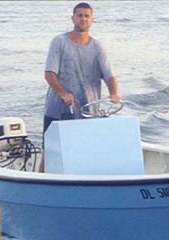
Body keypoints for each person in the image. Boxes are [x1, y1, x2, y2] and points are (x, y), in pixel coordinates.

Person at [39, 2, 121, 172]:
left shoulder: (97, 47)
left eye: (86, 16)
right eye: (80, 15)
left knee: (84, 151)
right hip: (59, 109)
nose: (83, 19)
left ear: (92, 20)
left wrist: (114, 94)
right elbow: (49, 74)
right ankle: (38, 181)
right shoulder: (59, 42)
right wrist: (63, 93)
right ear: (73, 18)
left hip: (87, 111)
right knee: (50, 151)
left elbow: (109, 75)